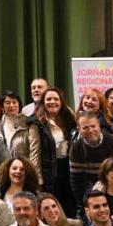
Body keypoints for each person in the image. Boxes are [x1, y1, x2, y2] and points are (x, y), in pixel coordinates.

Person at [70, 111, 113, 208]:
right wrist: (83, 205)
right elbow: (76, 181)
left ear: (99, 126)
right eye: (85, 128)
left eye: (93, 126)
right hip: (94, 193)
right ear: (79, 130)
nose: (90, 130)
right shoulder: (76, 148)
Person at [37, 87, 78, 215]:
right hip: (50, 171)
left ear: (61, 102)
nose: (52, 102)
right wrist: (38, 178)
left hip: (69, 167)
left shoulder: (69, 119)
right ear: (43, 102)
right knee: (54, 207)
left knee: (70, 206)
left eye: (56, 99)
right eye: (48, 99)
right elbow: (35, 152)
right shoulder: (38, 122)